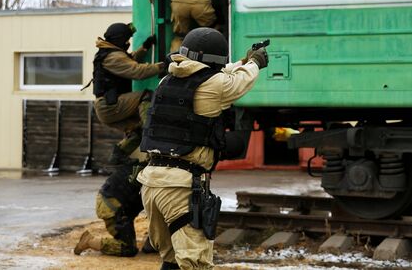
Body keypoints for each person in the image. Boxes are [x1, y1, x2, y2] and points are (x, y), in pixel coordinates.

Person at [137, 27, 269, 270]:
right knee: (194, 263)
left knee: (171, 260)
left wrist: (242, 60)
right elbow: (238, 81)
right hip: (179, 185)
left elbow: (214, 73)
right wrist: (254, 63)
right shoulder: (215, 85)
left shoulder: (167, 80)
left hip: (151, 182)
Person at [92, 22, 165, 165]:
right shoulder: (112, 57)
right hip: (110, 106)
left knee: (136, 131)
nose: (127, 43)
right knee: (146, 96)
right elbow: (137, 71)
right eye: (126, 40)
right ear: (119, 39)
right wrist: (163, 66)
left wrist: (144, 48)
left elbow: (128, 61)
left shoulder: (108, 53)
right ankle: (151, 136)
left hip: (108, 107)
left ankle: (119, 155)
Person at [74, 156, 148, 257]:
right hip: (112, 207)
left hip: (112, 203)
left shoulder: (146, 166)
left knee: (131, 242)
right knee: (128, 248)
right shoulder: (150, 172)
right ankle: (90, 241)